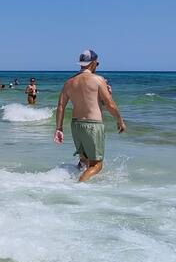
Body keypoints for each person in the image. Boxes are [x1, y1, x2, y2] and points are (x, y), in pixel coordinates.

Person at [54, 49, 126, 182]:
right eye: (97, 64)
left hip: (76, 125)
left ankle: (70, 183)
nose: (97, 66)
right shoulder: (98, 80)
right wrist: (120, 120)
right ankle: (78, 185)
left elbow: (61, 106)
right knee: (96, 165)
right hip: (92, 125)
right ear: (93, 63)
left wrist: (59, 128)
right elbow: (110, 104)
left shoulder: (69, 82)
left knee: (84, 161)